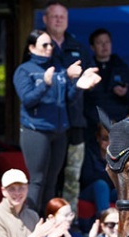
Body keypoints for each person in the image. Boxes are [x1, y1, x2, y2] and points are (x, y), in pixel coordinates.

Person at [13, 29, 100, 214]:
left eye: (50, 44)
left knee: (52, 181)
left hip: (59, 131)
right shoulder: (25, 70)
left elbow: (69, 98)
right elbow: (27, 100)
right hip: (36, 130)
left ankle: (48, 224)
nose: (49, 48)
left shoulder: (59, 67)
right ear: (31, 48)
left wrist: (79, 86)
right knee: (37, 180)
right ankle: (31, 222)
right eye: (44, 45)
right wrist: (45, 83)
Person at [43, 1, 94, 209]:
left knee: (72, 175)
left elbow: (91, 75)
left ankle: (68, 222)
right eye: (54, 16)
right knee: (49, 174)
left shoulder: (78, 46)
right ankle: (46, 217)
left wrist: (89, 81)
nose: (58, 20)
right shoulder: (38, 47)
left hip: (75, 120)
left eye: (62, 16)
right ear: (45, 20)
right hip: (47, 123)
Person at [84, 28, 129, 130]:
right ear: (92, 47)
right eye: (99, 42)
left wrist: (125, 94)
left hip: (119, 123)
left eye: (107, 42)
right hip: (93, 125)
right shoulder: (88, 69)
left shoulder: (122, 67)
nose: (104, 46)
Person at [78, 123, 116, 230]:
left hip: (109, 191)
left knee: (121, 191)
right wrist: (107, 175)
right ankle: (107, 224)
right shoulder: (89, 152)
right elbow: (87, 177)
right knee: (101, 185)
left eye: (112, 139)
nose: (109, 143)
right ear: (98, 138)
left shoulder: (118, 155)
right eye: (105, 138)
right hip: (89, 190)